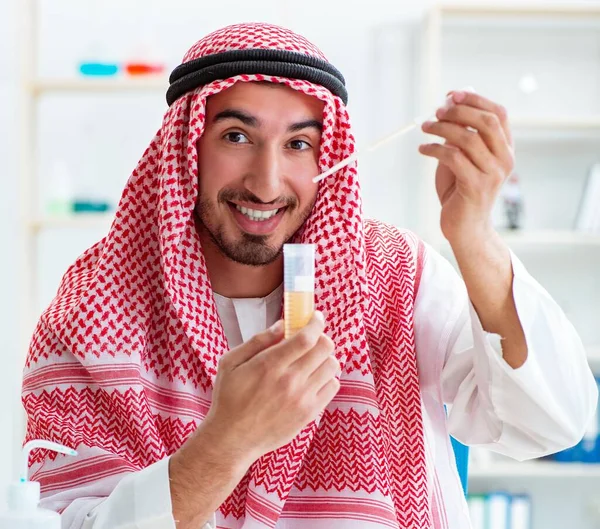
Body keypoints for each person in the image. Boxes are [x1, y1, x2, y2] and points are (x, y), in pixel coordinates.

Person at [21, 22, 597, 529]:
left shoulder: (396, 275)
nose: (267, 184)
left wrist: (473, 236)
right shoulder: (91, 310)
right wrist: (227, 444)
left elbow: (551, 424)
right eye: (237, 137)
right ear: (186, 148)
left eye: (299, 144)